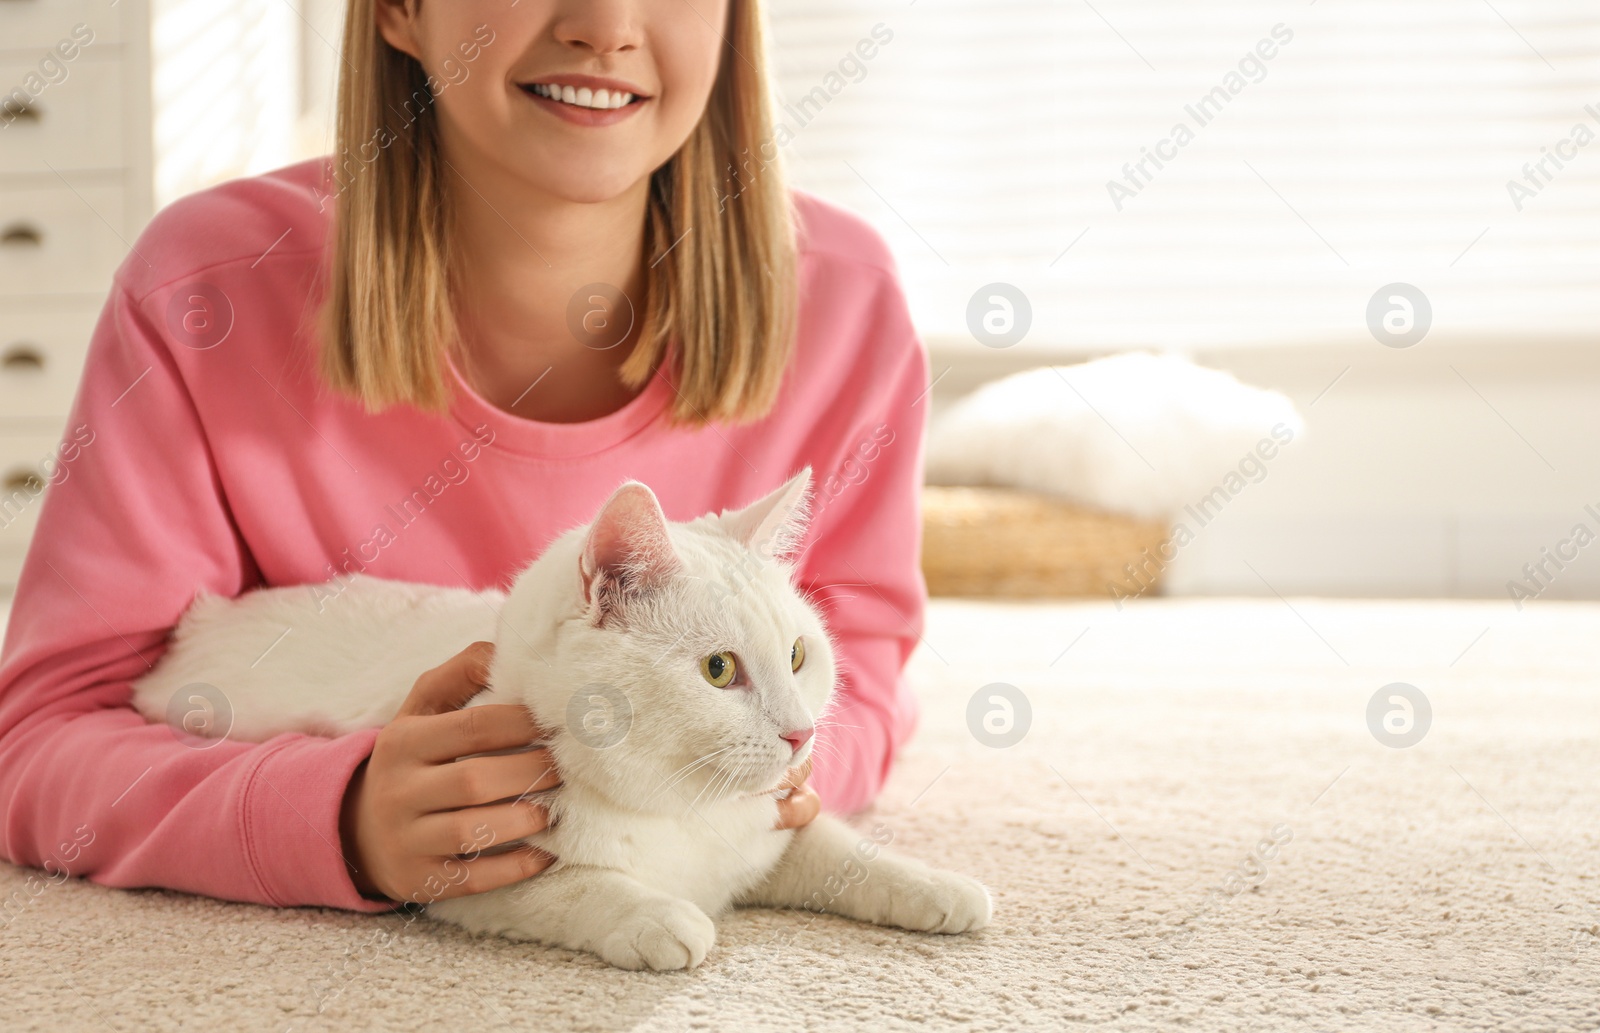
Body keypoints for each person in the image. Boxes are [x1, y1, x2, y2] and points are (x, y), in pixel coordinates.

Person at [0, 0, 928, 913]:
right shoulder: (203, 293)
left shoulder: (848, 307)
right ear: (400, 9)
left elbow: (868, 689)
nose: (606, 24)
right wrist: (342, 816)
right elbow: (40, 742)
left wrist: (752, 785)